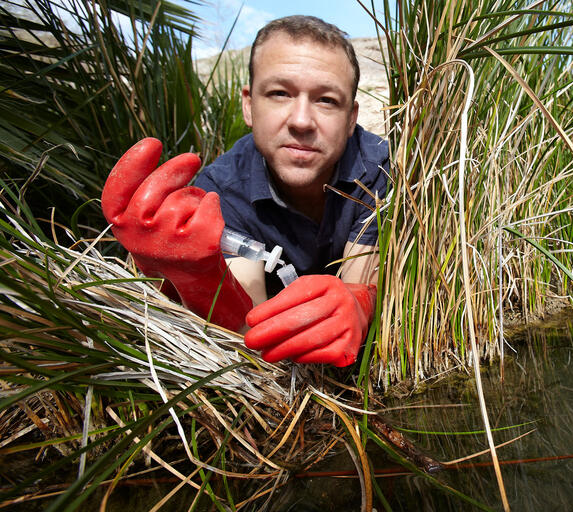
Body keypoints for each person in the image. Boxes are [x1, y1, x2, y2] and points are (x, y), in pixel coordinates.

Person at [101, 16, 389, 367]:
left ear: (350, 118)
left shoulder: (380, 171)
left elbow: (363, 283)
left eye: (326, 100)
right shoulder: (221, 192)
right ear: (249, 106)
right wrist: (195, 278)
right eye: (280, 93)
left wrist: (362, 303)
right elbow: (248, 331)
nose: (301, 121)